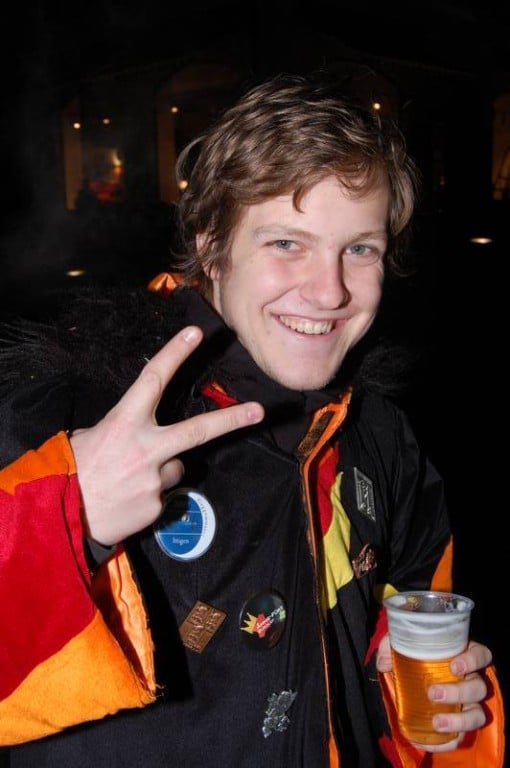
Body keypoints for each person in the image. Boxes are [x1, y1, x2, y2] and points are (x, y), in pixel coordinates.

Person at [0, 72, 504, 768]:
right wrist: (61, 521)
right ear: (210, 246)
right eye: (286, 244)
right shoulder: (70, 415)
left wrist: (409, 684)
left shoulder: (379, 435)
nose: (330, 291)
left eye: (360, 248)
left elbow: (417, 606)